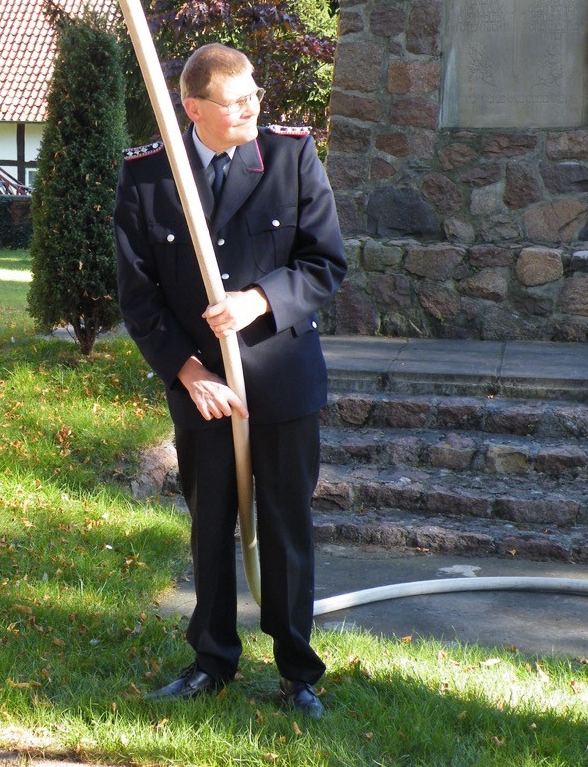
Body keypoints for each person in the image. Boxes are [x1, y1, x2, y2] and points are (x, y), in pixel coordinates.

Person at [114, 43, 347, 718]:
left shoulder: (290, 156)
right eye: (235, 100)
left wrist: (259, 300)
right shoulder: (151, 176)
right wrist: (188, 374)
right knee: (210, 523)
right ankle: (211, 660)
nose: (253, 108)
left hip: (281, 377)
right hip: (202, 388)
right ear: (194, 109)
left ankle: (298, 671)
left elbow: (324, 262)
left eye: (254, 94)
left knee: (285, 526)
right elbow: (139, 297)